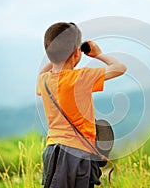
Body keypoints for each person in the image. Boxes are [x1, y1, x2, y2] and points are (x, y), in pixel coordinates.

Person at [36, 22, 126, 188]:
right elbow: (120, 67)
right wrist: (98, 54)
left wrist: (54, 57)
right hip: (78, 155)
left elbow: (42, 73)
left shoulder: (44, 81)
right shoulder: (81, 78)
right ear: (77, 53)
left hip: (52, 153)